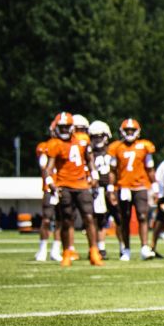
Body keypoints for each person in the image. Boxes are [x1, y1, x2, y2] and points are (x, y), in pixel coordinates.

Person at [42, 112, 102, 266]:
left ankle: (94, 251)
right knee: (66, 220)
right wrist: (50, 181)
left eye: (66, 127)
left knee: (89, 217)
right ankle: (67, 251)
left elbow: (90, 160)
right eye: (61, 127)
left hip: (82, 184)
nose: (63, 130)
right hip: (64, 185)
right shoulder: (54, 144)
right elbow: (49, 167)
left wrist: (94, 175)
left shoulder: (83, 140)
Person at [107, 118, 156, 260]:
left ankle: (144, 248)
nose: (130, 132)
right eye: (127, 130)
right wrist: (111, 189)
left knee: (142, 215)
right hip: (124, 187)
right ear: (122, 132)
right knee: (125, 219)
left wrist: (155, 187)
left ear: (138, 132)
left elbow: (150, 168)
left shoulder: (145, 146)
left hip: (140, 186)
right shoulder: (116, 147)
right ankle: (126, 249)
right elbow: (112, 170)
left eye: (132, 130)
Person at [87, 120, 116, 260]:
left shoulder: (113, 150)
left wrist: (112, 188)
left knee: (110, 219)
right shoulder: (88, 152)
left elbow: (114, 171)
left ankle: (103, 247)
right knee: (95, 219)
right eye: (94, 137)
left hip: (110, 188)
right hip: (94, 189)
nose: (97, 139)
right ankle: (95, 247)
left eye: (100, 136)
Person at [34, 120, 62, 262]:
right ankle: (43, 249)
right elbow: (44, 167)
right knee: (46, 219)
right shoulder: (45, 147)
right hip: (50, 188)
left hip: (64, 186)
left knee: (61, 220)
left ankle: (56, 250)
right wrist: (50, 183)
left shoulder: (70, 145)